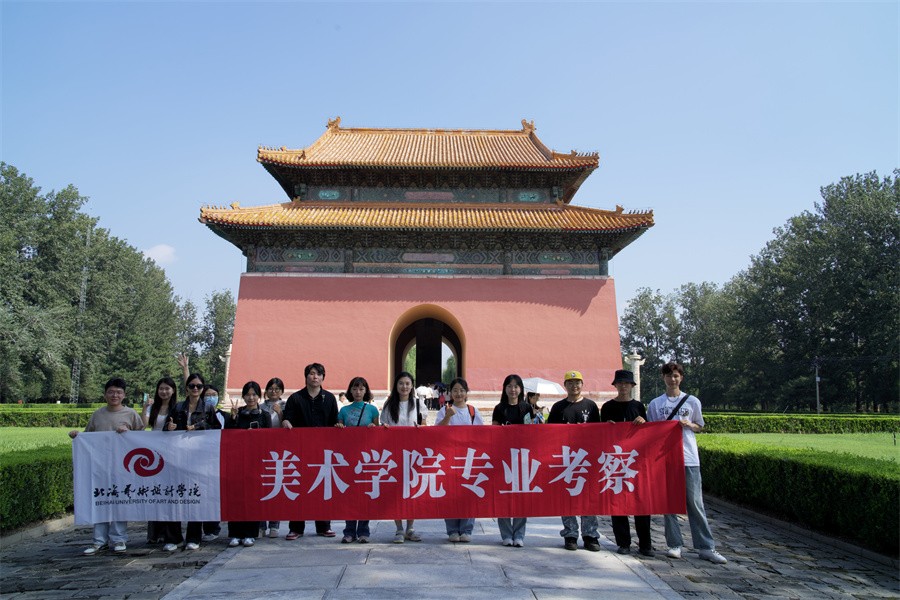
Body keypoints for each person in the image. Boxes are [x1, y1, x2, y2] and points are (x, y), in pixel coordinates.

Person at [647, 362, 728, 564]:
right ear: (663, 378)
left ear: (681, 378)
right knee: (669, 504)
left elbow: (699, 425)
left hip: (688, 456)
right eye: (668, 375)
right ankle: (674, 544)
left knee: (695, 502)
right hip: (665, 458)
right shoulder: (655, 404)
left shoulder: (692, 401)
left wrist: (689, 425)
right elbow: (650, 430)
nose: (672, 379)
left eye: (675, 375)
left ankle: (706, 546)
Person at [69, 378, 144, 555]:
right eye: (111, 392)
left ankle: (119, 539)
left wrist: (128, 433)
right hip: (100, 466)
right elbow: (88, 438)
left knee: (119, 502)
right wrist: (77, 436)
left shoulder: (131, 414)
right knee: (100, 502)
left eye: (118, 392)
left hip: (123, 467)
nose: (114, 395)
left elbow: (141, 438)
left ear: (124, 395)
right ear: (105, 394)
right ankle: (99, 541)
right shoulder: (97, 415)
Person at [282, 362, 339, 540]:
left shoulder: (329, 398)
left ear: (323, 378)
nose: (315, 377)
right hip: (300, 450)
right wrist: (286, 422)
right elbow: (287, 418)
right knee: (298, 487)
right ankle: (296, 528)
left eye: (319, 374)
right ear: (306, 376)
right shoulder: (295, 398)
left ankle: (324, 526)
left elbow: (334, 421)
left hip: (323, 451)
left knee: (322, 487)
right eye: (312, 373)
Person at [547, 370, 602, 552]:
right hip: (566, 459)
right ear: (565, 385)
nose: (574, 386)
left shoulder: (591, 406)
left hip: (586, 459)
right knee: (567, 497)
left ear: (582, 384)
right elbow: (549, 433)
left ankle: (590, 535)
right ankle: (570, 534)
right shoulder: (558, 407)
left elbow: (599, 431)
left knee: (589, 497)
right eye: (570, 383)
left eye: (577, 382)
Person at [600, 369, 652, 557]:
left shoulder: (638, 406)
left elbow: (647, 432)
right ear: (615, 385)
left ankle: (645, 544)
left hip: (636, 461)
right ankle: (623, 542)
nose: (623, 386)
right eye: (620, 383)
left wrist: (643, 421)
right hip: (615, 460)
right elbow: (599, 433)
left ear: (631, 386)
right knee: (618, 503)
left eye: (626, 383)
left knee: (641, 502)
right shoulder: (607, 407)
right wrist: (606, 427)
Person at [167, 372, 222, 550]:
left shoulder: (208, 408)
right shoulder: (178, 407)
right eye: (192, 386)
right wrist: (170, 427)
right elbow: (167, 429)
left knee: (195, 497)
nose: (195, 389)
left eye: (199, 386)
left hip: (199, 459)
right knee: (175, 497)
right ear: (187, 388)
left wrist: (199, 426)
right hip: (178, 457)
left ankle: (193, 537)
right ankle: (174, 538)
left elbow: (216, 428)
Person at [380, 370, 428, 543]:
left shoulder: (418, 403)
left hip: (414, 453)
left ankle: (410, 528)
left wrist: (420, 428)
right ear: (396, 385)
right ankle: (399, 528)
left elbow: (425, 425)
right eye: (401, 383)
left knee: (412, 491)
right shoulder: (388, 405)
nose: (404, 386)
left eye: (407, 383)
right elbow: (383, 426)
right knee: (395, 491)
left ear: (412, 385)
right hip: (394, 454)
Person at [435, 377, 483, 543]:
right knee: (450, 493)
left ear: (466, 393)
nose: (458, 394)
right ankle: (452, 530)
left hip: (469, 458)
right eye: (455, 390)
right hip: (449, 458)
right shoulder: (444, 410)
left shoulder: (473, 411)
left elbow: (481, 434)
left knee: (468, 493)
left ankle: (467, 529)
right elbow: (437, 432)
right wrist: (447, 417)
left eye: (462, 390)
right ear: (450, 393)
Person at [225, 381, 272, 548]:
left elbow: (269, 438)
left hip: (255, 461)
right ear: (243, 396)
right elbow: (228, 436)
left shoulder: (264, 415)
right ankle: (235, 533)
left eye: (254, 394)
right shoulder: (237, 413)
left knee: (252, 498)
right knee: (235, 497)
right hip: (237, 460)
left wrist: (257, 435)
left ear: (259, 396)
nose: (251, 398)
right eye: (247, 394)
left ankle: (250, 533)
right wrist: (232, 419)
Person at [335, 376, 380, 543]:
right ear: (350, 391)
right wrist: (339, 427)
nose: (358, 392)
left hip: (366, 457)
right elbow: (338, 430)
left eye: (361, 389)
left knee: (365, 494)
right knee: (349, 494)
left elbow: (378, 432)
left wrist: (373, 428)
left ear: (366, 391)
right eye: (354, 388)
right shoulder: (343, 411)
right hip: (349, 456)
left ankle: (363, 531)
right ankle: (349, 531)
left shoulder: (372, 410)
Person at [491, 374, 534, 547]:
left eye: (516, 386)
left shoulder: (526, 408)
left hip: (522, 458)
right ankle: (506, 534)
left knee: (521, 496)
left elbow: (530, 431)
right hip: (503, 458)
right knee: (503, 496)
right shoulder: (499, 408)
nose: (513, 389)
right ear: (504, 389)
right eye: (509, 386)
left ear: (521, 389)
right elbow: (493, 432)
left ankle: (519, 535)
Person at [143, 377, 182, 551]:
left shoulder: (178, 408)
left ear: (173, 390)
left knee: (170, 495)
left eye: (167, 388)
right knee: (156, 494)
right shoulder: (153, 407)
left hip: (172, 455)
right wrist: (145, 408)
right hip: (154, 454)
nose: (164, 391)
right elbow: (143, 426)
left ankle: (172, 535)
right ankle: (156, 533)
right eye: (161, 388)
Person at [259, 377, 285, 538]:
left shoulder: (286, 405)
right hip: (261, 450)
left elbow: (288, 425)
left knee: (276, 486)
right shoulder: (260, 406)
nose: (273, 391)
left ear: (281, 391)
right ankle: (261, 525)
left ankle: (275, 525)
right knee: (261, 488)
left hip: (279, 450)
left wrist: (280, 413)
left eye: (277, 389)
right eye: (271, 389)